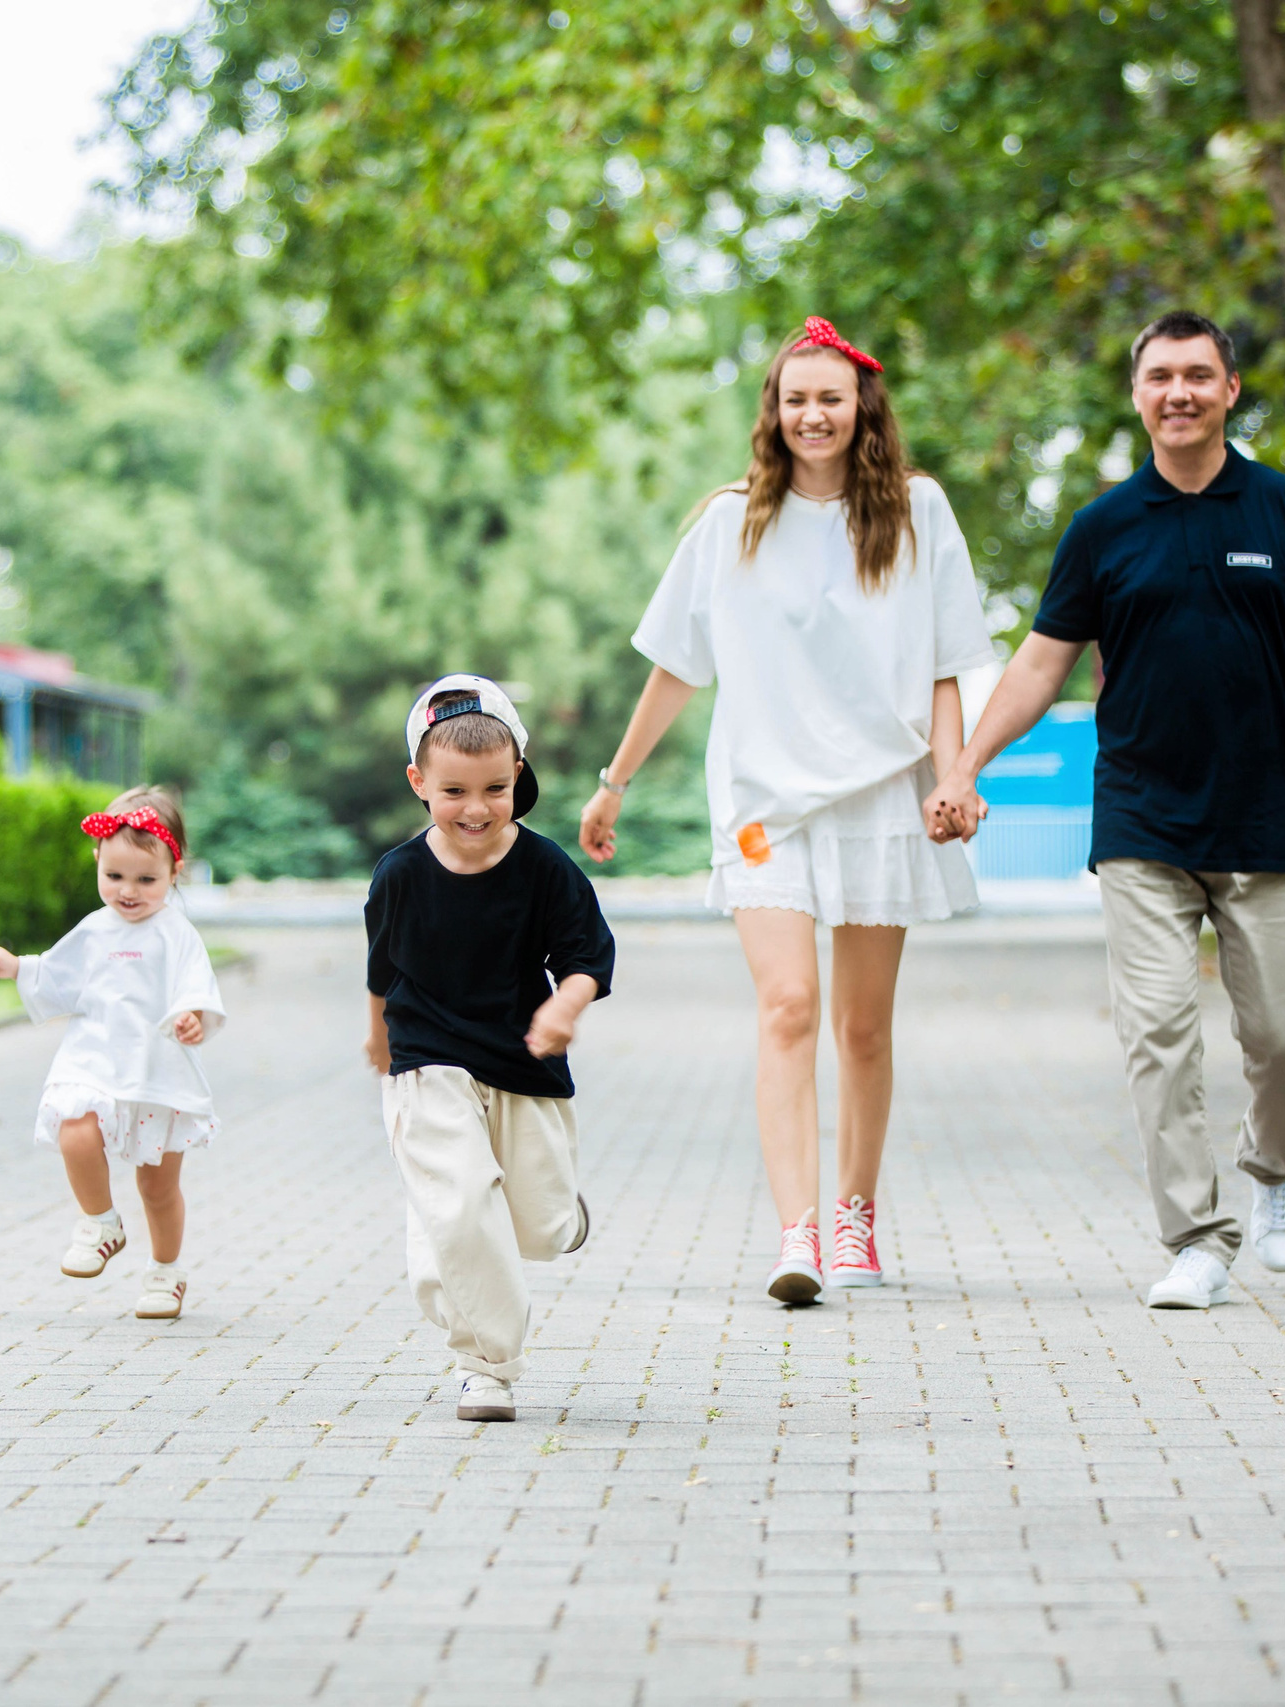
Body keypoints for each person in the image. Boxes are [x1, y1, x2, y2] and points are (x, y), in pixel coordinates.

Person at [923, 309, 1285, 1310]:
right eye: (1160, 376)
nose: (1178, 392)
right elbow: (1040, 664)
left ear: (1230, 389)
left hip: (1268, 812)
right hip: (1142, 818)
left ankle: (1273, 1168)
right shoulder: (1103, 527)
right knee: (1157, 1032)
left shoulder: (1284, 511)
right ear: (1138, 394)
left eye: (1196, 374)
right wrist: (965, 765)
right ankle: (1196, 1238)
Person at [579, 317, 998, 1305]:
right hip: (765, 803)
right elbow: (678, 666)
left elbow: (947, 664)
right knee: (788, 1007)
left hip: (884, 794)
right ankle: (797, 1232)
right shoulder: (730, 523)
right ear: (772, 411)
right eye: (795, 398)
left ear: (862, 409)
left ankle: (855, 1216)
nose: (813, 415)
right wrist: (614, 780)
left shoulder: (918, 510)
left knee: (862, 1027)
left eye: (830, 398)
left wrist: (954, 775)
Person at [365, 676, 614, 1423]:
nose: (475, 808)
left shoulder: (545, 868)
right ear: (419, 782)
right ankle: (487, 1368)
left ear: (518, 776)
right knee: (462, 1209)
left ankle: (559, 1214)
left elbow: (587, 957)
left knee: (535, 1227)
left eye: (494, 789)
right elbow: (382, 969)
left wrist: (564, 1006)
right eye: (454, 791)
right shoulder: (399, 874)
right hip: (426, 1058)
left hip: (521, 1060)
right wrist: (377, 1037)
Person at [0, 787, 225, 1322]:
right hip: (94, 1059)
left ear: (175, 871)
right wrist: (13, 966)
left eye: (146, 879)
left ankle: (165, 1272)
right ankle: (100, 1221)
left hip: (156, 1068)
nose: (128, 891)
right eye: (115, 875)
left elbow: (197, 989)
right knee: (74, 1127)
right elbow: (56, 975)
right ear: (97, 862)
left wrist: (193, 1017)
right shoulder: (94, 928)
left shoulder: (176, 933)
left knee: (157, 1185)